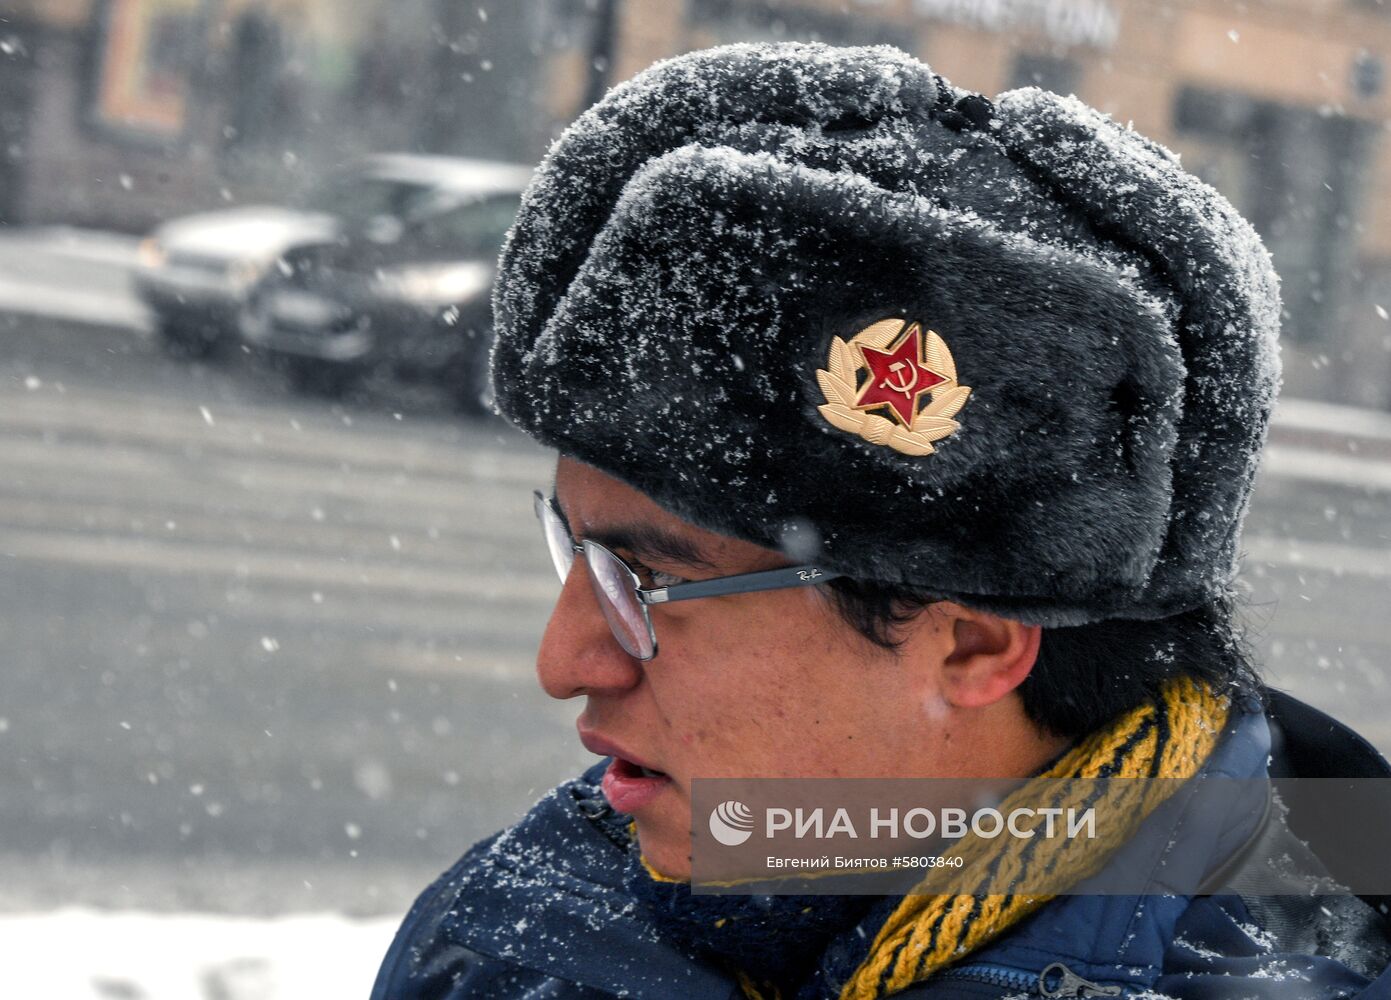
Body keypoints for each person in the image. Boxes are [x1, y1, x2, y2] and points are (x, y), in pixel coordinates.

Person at [372, 43, 1391, 999]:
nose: (564, 659)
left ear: (975, 645)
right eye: (574, 550)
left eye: (644, 583)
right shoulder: (517, 935)